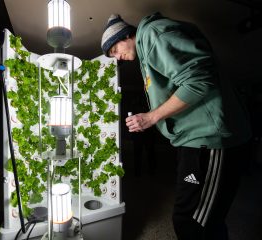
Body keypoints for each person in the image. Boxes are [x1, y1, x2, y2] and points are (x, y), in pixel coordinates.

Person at [101, 12, 251, 240]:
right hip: (192, 139)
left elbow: (199, 79)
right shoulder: (146, 52)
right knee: (204, 220)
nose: (117, 58)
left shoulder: (152, 34)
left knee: (191, 221)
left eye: (115, 50)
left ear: (126, 36)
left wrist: (151, 118)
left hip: (210, 138)